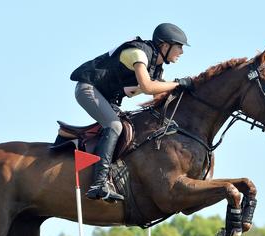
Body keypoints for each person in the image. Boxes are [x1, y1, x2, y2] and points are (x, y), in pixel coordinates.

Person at [70, 23, 194, 202]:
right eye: (179, 46)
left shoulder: (155, 67)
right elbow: (148, 87)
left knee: (129, 126)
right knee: (114, 125)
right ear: (165, 46)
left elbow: (159, 93)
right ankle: (99, 182)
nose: (181, 52)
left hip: (105, 97)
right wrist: (178, 83)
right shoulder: (139, 53)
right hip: (87, 89)